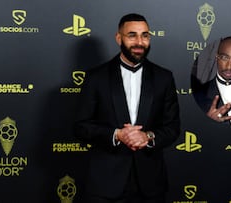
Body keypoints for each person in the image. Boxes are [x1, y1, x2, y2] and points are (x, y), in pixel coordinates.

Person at [74, 13, 181, 203]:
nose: (139, 42)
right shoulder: (96, 77)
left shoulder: (164, 77)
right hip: (104, 185)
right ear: (119, 38)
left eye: (145, 35)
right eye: (132, 35)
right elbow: (81, 126)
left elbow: (172, 127)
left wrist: (147, 136)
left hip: (151, 185)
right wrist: (117, 135)